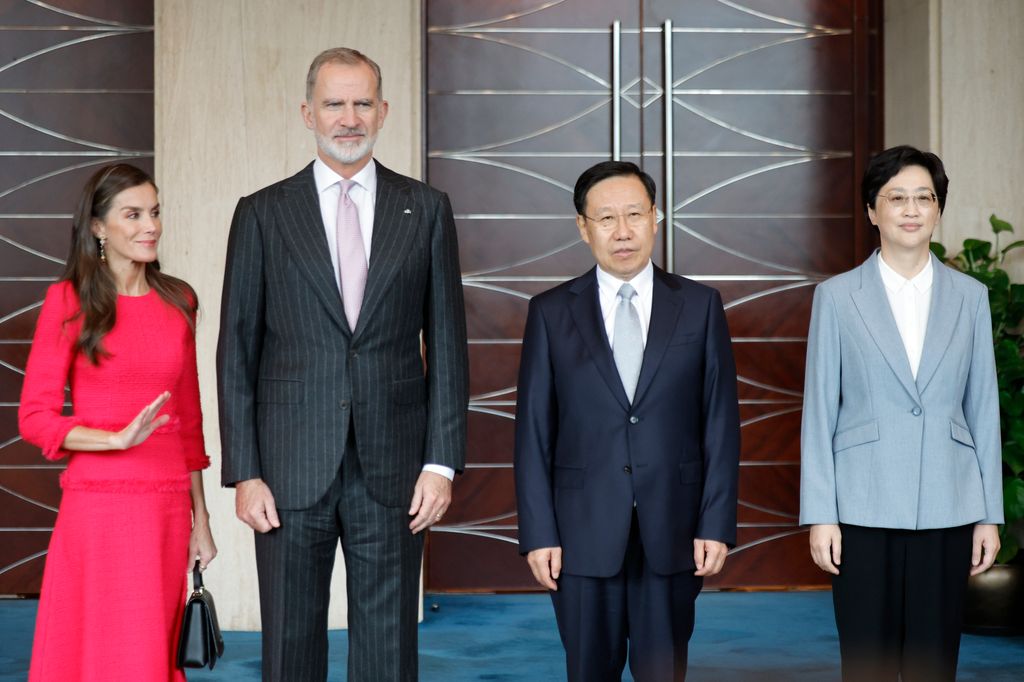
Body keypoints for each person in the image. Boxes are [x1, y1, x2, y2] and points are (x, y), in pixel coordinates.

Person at [217, 47, 468, 681]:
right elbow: (236, 350)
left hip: (395, 468)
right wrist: (245, 471)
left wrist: (440, 463)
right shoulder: (263, 213)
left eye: (362, 103)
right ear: (308, 112)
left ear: (383, 110)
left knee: (387, 653)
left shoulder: (428, 209)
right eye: (334, 103)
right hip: (286, 470)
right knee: (290, 652)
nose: (349, 117)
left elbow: (447, 342)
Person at [514, 161, 740, 681]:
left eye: (635, 214)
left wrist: (716, 523)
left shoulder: (701, 306)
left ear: (656, 218)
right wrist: (539, 533)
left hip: (675, 529)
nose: (622, 231)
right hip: (580, 532)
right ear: (582, 226)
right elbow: (532, 433)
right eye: (607, 217)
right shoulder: (549, 312)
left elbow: (720, 424)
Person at [800, 145, 1003, 682]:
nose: (911, 209)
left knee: (934, 664)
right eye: (896, 198)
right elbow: (819, 410)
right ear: (872, 210)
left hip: (949, 501)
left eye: (924, 198)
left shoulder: (971, 297)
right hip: (862, 506)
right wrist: (821, 512)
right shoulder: (838, 298)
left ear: (938, 211)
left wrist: (989, 513)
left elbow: (983, 406)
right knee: (867, 663)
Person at [19, 163, 217, 681]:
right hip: (97, 506)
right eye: (133, 214)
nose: (149, 225)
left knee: (148, 648)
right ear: (99, 228)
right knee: (91, 646)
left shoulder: (180, 301)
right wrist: (115, 439)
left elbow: (190, 423)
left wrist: (203, 519)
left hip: (166, 508)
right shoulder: (68, 301)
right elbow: (35, 418)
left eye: (154, 212)